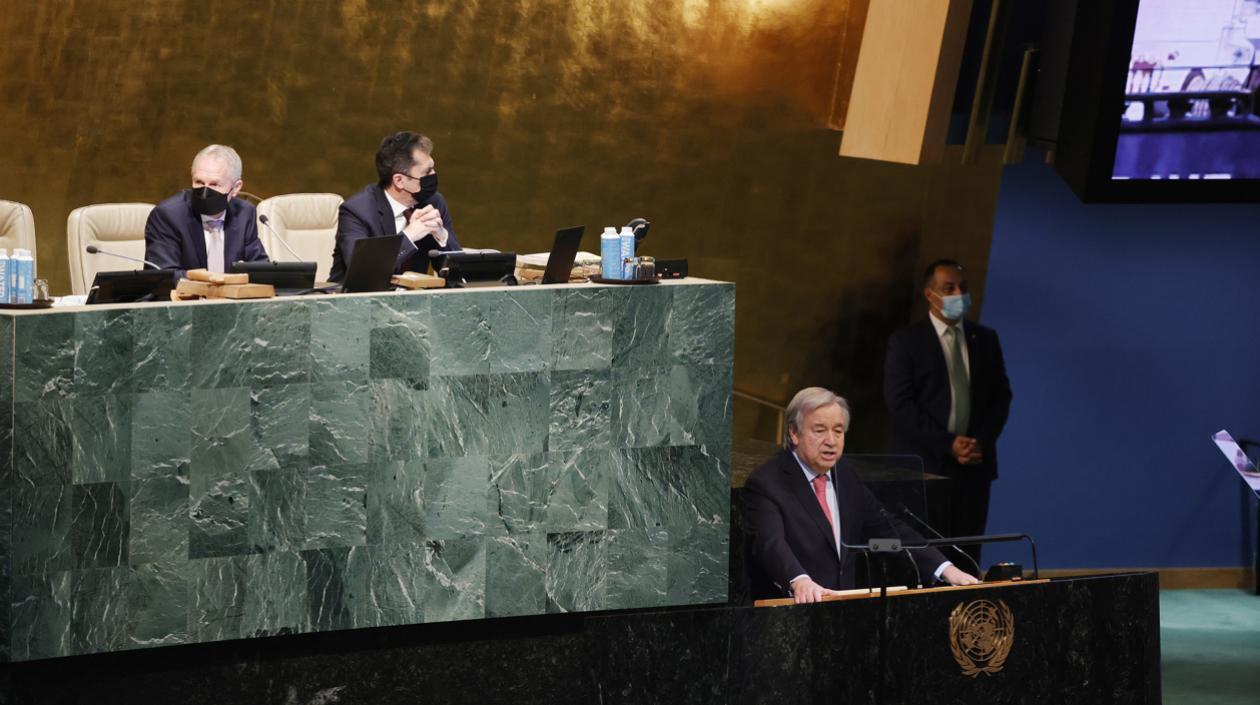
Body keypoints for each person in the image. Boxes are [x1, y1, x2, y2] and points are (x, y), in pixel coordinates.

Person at [745, 387, 979, 604]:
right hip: (794, 612)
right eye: (820, 430)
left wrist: (945, 568)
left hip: (846, 611)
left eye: (838, 431)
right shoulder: (768, 482)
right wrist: (799, 580)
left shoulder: (844, 474)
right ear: (794, 433)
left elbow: (887, 532)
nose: (831, 441)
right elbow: (770, 543)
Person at [883, 259, 1012, 569]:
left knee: (968, 555)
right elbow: (900, 403)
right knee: (926, 557)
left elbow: (1001, 396)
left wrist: (978, 441)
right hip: (925, 468)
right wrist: (948, 443)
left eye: (963, 287)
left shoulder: (986, 339)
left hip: (974, 469)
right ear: (930, 295)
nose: (958, 294)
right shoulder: (906, 341)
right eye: (949, 288)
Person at [329, 131, 461, 283]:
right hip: (356, 302)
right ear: (399, 180)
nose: (434, 174)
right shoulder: (357, 211)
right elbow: (364, 272)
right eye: (427, 172)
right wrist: (409, 236)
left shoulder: (433, 202)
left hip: (415, 303)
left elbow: (457, 275)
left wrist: (441, 235)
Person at [144, 144, 269, 279]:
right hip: (186, 298)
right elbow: (163, 276)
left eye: (214, 184)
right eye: (199, 182)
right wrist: (211, 281)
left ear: (236, 188)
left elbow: (260, 269)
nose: (205, 192)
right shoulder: (168, 215)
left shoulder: (244, 213)